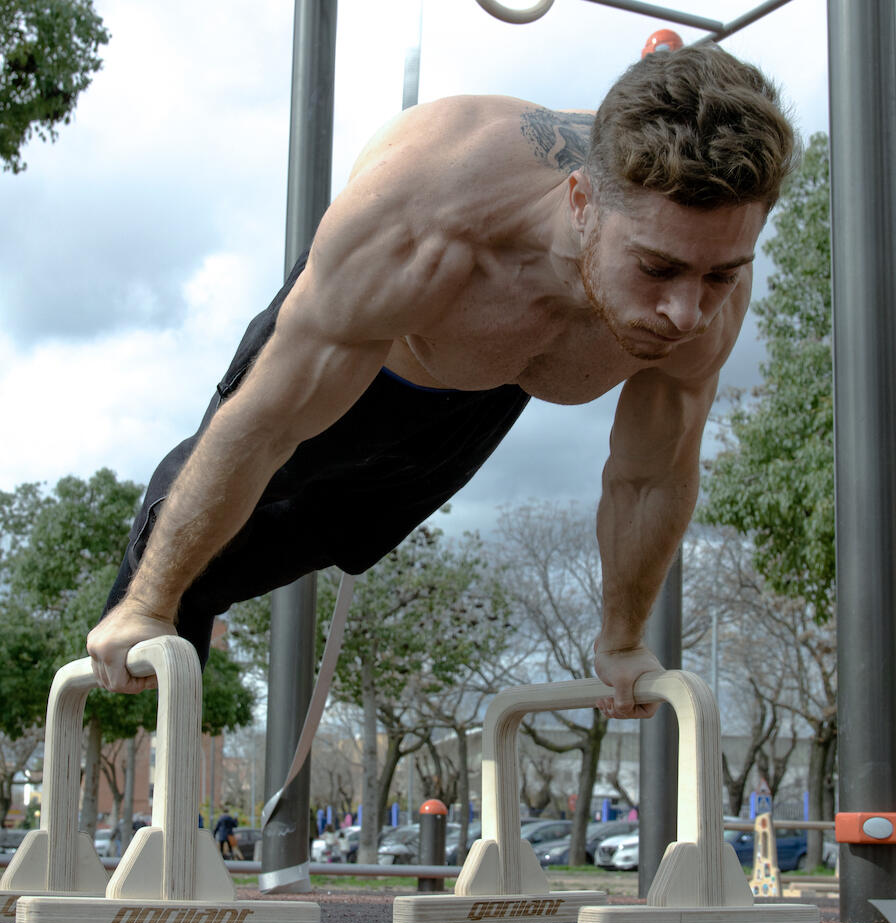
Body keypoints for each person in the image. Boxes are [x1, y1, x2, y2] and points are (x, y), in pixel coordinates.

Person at [88, 44, 796, 721]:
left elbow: (651, 474)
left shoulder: (709, 277)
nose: (687, 311)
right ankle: (132, 762)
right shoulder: (427, 211)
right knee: (173, 592)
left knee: (323, 539)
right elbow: (266, 424)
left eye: (721, 275)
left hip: (474, 405)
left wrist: (622, 641)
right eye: (658, 268)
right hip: (365, 347)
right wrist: (150, 602)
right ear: (582, 203)